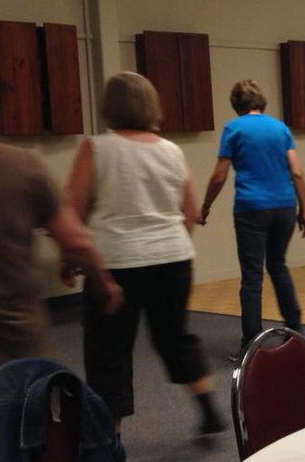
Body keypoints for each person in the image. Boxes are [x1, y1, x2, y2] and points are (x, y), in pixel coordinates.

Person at [0, 62, 120, 421]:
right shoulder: (22, 166)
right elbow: (76, 241)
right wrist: (103, 284)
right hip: (11, 337)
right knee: (21, 435)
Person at [66, 72, 224, 436]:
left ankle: (111, 438)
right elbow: (189, 211)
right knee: (175, 336)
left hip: (117, 261)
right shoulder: (170, 150)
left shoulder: (97, 147)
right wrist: (170, 244)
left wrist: (71, 256)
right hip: (173, 258)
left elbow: (72, 206)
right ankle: (207, 406)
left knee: (109, 349)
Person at [199, 80, 305, 359]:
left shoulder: (233, 129)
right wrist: (304, 209)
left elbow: (218, 175)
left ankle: (251, 342)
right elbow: (297, 172)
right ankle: (295, 330)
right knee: (278, 265)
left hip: (251, 208)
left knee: (251, 275)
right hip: (284, 205)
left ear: (236, 105)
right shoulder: (281, 128)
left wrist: (205, 206)